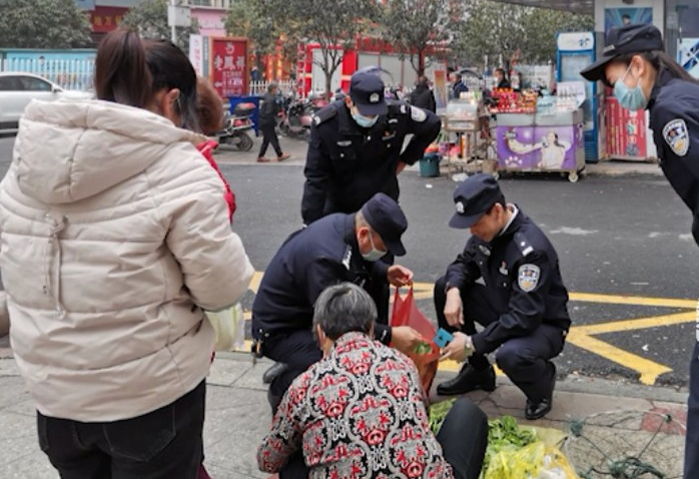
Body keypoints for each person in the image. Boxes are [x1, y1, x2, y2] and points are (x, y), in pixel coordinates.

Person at [0, 29, 254, 478]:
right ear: (173, 101)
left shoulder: (27, 164)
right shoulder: (181, 170)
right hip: (148, 400)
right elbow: (223, 288)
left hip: (55, 400)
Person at [580, 23, 699, 479]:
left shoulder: (672, 113)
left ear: (636, 65)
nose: (615, 94)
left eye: (613, 83)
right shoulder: (681, 97)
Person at [252, 193, 422, 478]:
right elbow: (337, 329)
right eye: (385, 247)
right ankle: (285, 386)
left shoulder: (346, 228)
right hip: (281, 330)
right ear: (365, 233)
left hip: (308, 315)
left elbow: (358, 260)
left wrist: (383, 271)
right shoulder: (324, 257)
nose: (384, 252)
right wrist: (391, 336)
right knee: (333, 365)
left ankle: (298, 367)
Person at [257, 282, 489, 479]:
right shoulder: (402, 363)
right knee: (467, 412)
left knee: (291, 450)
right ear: (370, 328)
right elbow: (420, 417)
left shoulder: (303, 386)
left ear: (320, 332)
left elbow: (268, 460)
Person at [435, 174, 570, 421]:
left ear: (496, 211)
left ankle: (541, 387)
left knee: (510, 355)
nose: (471, 230)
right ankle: (477, 370)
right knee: (443, 287)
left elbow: (524, 317)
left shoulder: (530, 249)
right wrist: (453, 290)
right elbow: (463, 264)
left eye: (475, 222)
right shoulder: (486, 232)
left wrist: (471, 342)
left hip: (541, 325)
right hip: (506, 308)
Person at [302, 69, 441, 225]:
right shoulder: (327, 125)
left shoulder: (395, 113)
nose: (371, 117)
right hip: (341, 208)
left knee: (381, 249)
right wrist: (311, 224)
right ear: (349, 102)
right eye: (365, 112)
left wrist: (405, 159)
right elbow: (315, 178)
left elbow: (432, 124)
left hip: (381, 205)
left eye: (375, 112)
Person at [258, 82, 290, 163]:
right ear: (273, 89)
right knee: (273, 139)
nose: (277, 91)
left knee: (267, 139)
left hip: (264, 121)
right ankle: (279, 155)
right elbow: (269, 111)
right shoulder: (271, 99)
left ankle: (261, 156)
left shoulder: (266, 96)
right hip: (267, 121)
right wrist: (277, 114)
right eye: (276, 89)